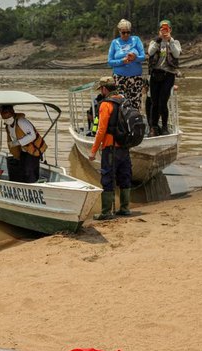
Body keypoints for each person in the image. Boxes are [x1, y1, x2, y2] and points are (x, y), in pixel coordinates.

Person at [88, 76, 133, 219]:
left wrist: (93, 151)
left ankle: (106, 212)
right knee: (125, 176)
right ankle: (125, 208)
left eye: (101, 89)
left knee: (107, 178)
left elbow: (101, 130)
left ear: (104, 89)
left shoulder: (105, 105)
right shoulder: (124, 100)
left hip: (110, 147)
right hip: (124, 146)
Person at [147, 19, 181, 136]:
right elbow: (150, 52)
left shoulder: (175, 42)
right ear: (159, 30)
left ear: (170, 30)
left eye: (167, 29)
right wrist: (159, 39)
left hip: (168, 75)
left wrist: (170, 40)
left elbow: (176, 54)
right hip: (155, 74)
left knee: (163, 102)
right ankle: (154, 127)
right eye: (162, 29)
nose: (164, 31)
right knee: (154, 103)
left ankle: (165, 126)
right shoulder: (154, 42)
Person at [0, 105, 47, 183]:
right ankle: (23, 184)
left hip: (34, 150)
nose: (7, 119)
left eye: (8, 116)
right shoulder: (8, 126)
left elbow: (32, 136)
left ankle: (32, 185)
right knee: (22, 170)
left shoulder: (21, 122)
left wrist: (18, 142)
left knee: (29, 172)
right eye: (4, 118)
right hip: (24, 150)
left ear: (13, 113)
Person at [107, 19, 146, 111]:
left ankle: (135, 119)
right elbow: (110, 62)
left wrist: (135, 58)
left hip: (136, 78)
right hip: (119, 78)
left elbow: (143, 57)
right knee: (121, 104)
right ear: (119, 31)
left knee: (135, 104)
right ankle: (121, 120)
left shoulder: (136, 40)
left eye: (128, 32)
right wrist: (122, 61)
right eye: (123, 33)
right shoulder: (114, 42)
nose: (126, 35)